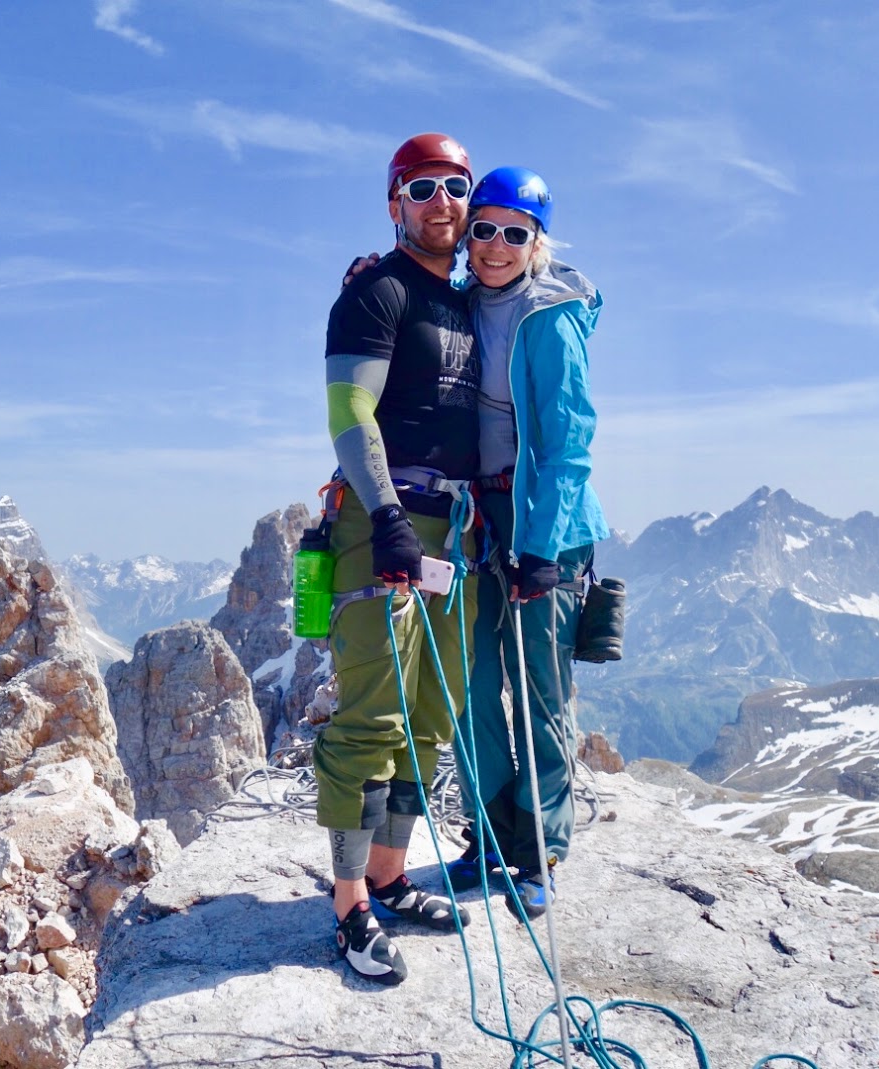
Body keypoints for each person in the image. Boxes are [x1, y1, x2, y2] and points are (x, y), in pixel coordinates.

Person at [313, 132, 481, 986]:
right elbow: (350, 412)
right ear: (394, 204)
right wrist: (384, 516)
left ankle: (388, 876)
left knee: (428, 717)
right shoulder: (376, 293)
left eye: (456, 185)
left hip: (456, 533)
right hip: (386, 523)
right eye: (422, 187)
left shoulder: (469, 301)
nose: (441, 201)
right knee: (373, 719)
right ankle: (349, 909)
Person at [444, 166, 610, 921]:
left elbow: (571, 441)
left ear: (537, 242)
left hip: (545, 523)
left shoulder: (551, 316)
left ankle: (540, 848)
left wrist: (540, 550)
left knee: (538, 684)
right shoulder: (458, 305)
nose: (497, 245)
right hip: (475, 520)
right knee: (473, 683)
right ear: (468, 236)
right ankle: (488, 832)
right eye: (484, 229)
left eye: (516, 233)